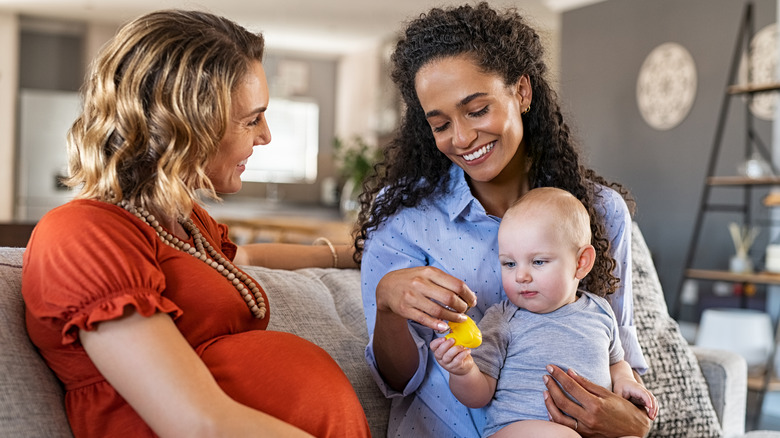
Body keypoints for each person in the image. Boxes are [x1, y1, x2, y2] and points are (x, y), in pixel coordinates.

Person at [22, 10, 369, 438]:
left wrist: (353, 254)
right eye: (251, 119)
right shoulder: (81, 234)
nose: (266, 137)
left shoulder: (181, 221)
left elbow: (245, 256)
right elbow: (198, 423)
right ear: (186, 123)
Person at [355, 3, 652, 437]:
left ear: (522, 92)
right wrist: (387, 303)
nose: (460, 138)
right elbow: (397, 382)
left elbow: (618, 353)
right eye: (439, 124)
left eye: (477, 111)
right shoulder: (404, 216)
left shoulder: (600, 211)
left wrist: (635, 425)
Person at [431, 187, 658, 438]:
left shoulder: (600, 311)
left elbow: (616, 362)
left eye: (538, 262)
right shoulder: (504, 318)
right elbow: (479, 395)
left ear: (581, 262)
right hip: (515, 429)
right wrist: (462, 371)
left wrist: (625, 381)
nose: (521, 276)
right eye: (509, 263)